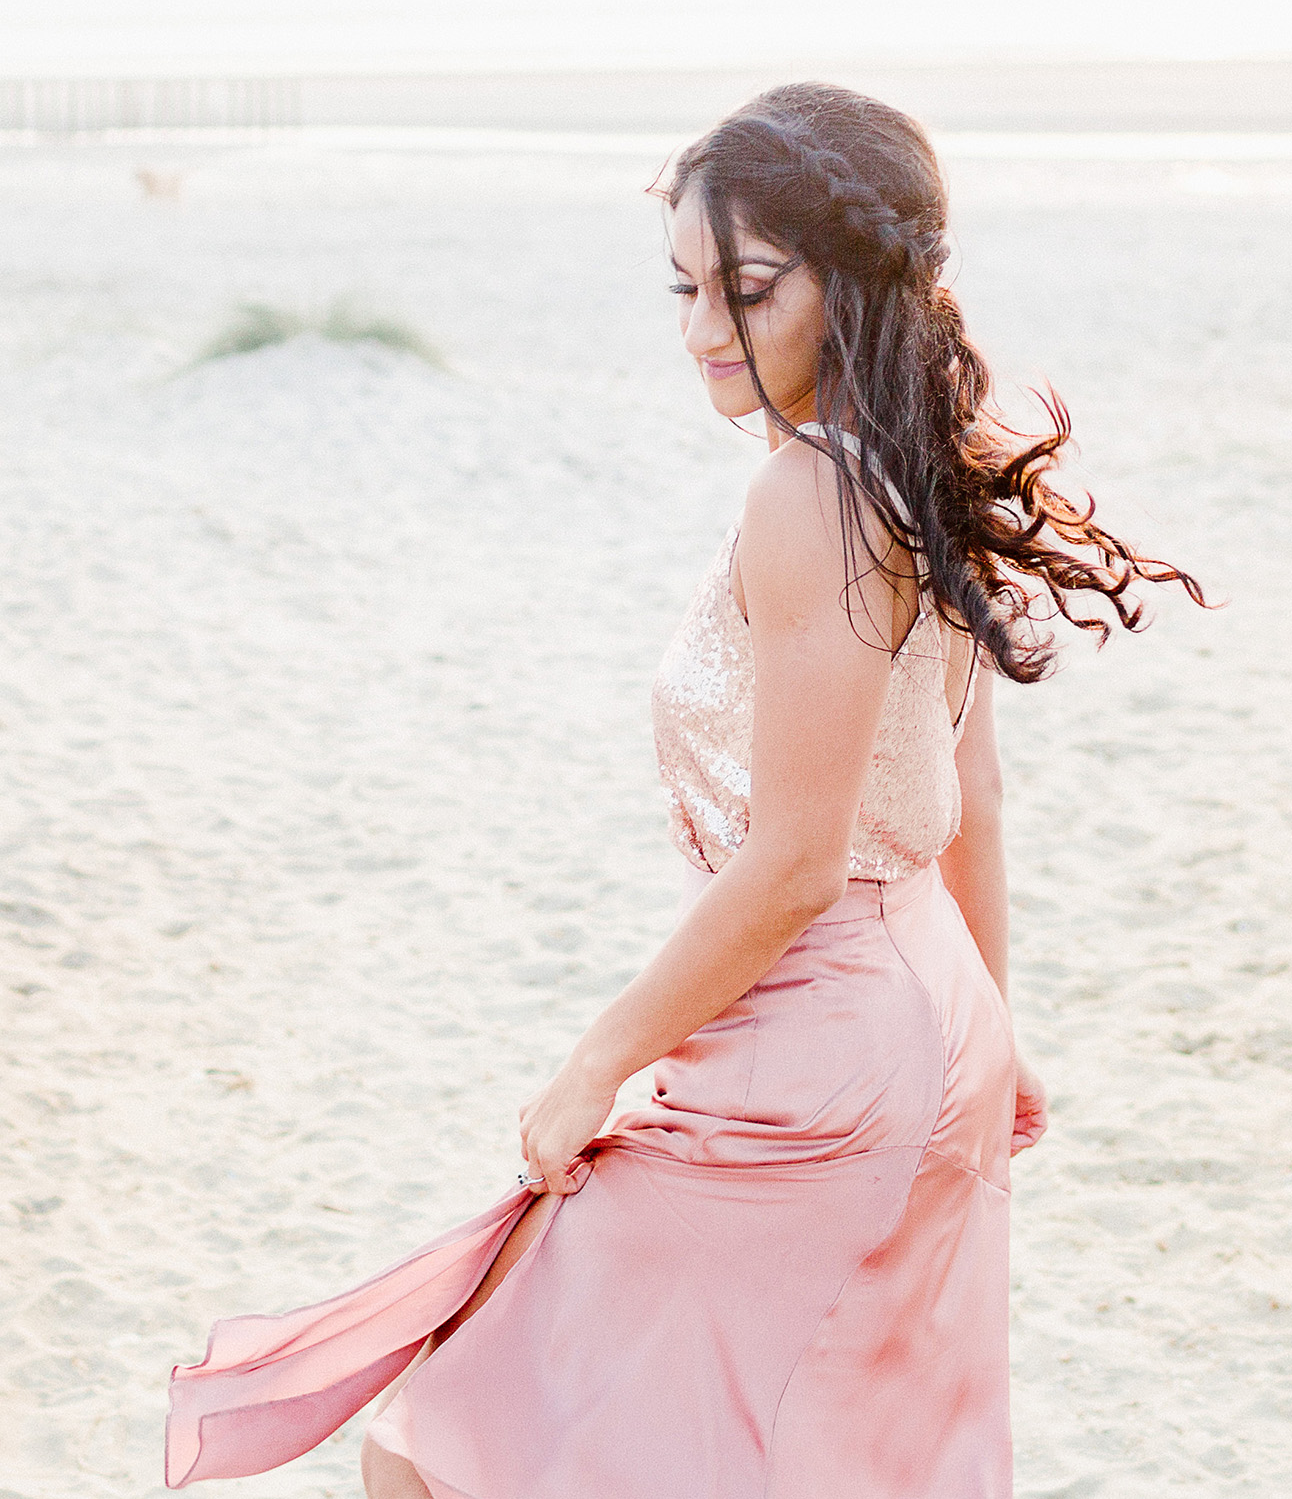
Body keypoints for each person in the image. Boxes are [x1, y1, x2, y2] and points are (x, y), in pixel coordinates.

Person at [165, 82, 1203, 1499]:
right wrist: (996, 1032)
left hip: (827, 1049)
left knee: (448, 1439)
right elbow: (971, 782)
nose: (705, 329)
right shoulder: (915, 466)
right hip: (926, 1012)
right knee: (800, 1450)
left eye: (749, 288)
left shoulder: (813, 496)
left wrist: (599, 1055)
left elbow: (791, 866)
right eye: (686, 288)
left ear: (854, 282)